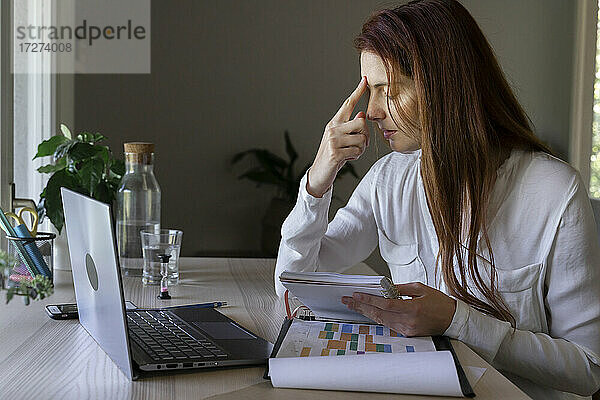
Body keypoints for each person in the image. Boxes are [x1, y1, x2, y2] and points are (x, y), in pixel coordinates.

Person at [273, 0, 600, 398]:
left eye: (386, 90)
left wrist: (458, 321)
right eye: (368, 90)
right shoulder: (388, 181)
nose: (371, 111)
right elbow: (292, 283)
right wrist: (318, 179)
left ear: (443, 85)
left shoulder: (554, 192)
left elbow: (588, 368)